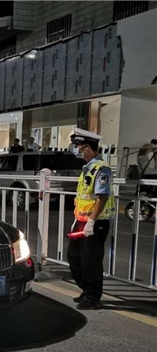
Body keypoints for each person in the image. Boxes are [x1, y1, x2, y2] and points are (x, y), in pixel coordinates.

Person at [67, 128, 115, 310]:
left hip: (96, 222)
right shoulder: (87, 168)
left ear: (87, 147)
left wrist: (92, 222)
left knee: (91, 262)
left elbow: (102, 197)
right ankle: (86, 289)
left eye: (78, 146)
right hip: (81, 221)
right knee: (74, 258)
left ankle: (93, 297)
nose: (76, 150)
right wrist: (79, 219)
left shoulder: (101, 168)